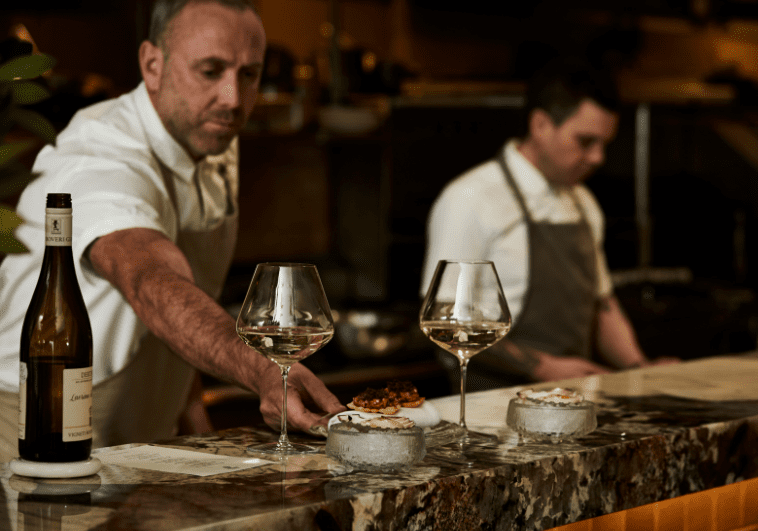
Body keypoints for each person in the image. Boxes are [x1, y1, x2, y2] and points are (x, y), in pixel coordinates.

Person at [0, 0, 344, 462]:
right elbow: (151, 282)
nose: (233, 98)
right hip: (33, 430)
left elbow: (186, 298)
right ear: (152, 64)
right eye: (210, 70)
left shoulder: (208, 134)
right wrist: (263, 370)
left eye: (249, 74)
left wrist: (192, 417)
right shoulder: (100, 155)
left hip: (139, 442)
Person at [421, 60, 677, 392]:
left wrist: (638, 369)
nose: (598, 157)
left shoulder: (583, 202)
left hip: (570, 401)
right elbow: (443, 320)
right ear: (541, 125)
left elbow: (603, 304)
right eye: (586, 142)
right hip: (491, 403)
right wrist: (541, 367)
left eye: (604, 144)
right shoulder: (471, 198)